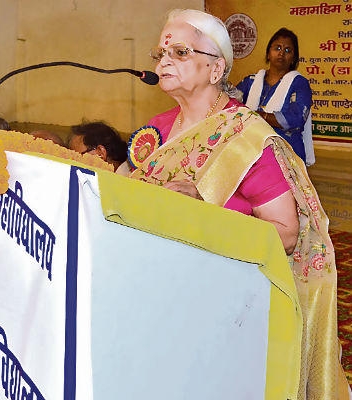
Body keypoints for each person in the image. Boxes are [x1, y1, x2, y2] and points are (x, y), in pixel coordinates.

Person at [129, 9, 349, 399]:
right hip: (156, 291)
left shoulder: (245, 137)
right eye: (160, 53)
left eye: (180, 52)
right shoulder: (159, 127)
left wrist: (206, 212)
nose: (163, 62)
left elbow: (286, 234)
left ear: (216, 69)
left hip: (224, 305)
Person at [237, 28, 314, 166]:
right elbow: (231, 106)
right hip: (251, 153)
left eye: (287, 50)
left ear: (294, 58)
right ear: (268, 53)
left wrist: (258, 116)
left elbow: (296, 119)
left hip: (288, 156)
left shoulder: (299, 84)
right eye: (277, 48)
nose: (281, 53)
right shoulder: (250, 82)